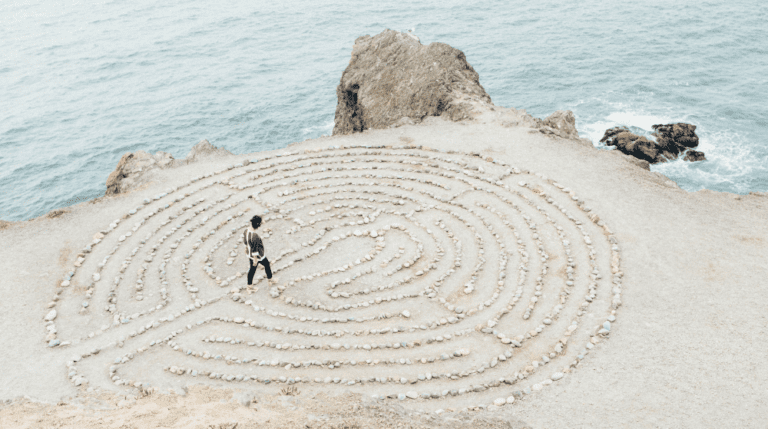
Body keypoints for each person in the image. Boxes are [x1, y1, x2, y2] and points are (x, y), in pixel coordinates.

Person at [243, 215, 272, 286]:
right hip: (258, 256)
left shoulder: (246, 230)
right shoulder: (255, 236)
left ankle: (249, 285)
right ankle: (270, 279)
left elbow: (245, 241)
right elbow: (255, 248)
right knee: (266, 264)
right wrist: (255, 259)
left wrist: (246, 247)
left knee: (252, 270)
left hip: (249, 254)